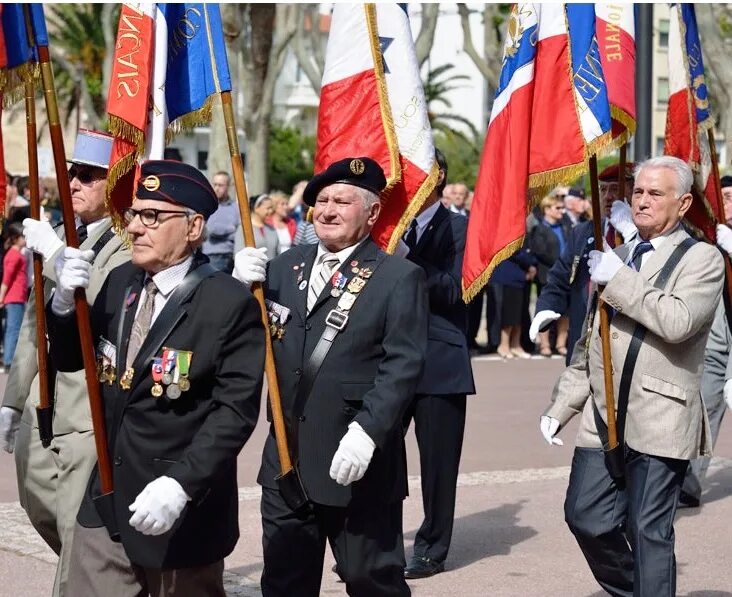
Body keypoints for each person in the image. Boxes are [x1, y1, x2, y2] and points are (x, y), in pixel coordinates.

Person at [46, 160, 265, 595]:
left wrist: (181, 485)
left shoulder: (227, 303)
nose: (136, 228)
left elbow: (234, 413)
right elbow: (76, 361)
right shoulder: (120, 282)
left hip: (180, 509)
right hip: (107, 492)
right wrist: (64, 305)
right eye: (133, 215)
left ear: (193, 226)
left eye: (152, 216)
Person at [234, 156, 428, 597]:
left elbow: (403, 366)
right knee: (284, 584)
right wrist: (236, 289)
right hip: (287, 459)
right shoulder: (283, 267)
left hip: (356, 462)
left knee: (371, 581)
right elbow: (248, 339)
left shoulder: (398, 277)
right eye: (321, 200)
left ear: (373, 212)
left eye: (342, 201)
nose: (327, 210)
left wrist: (368, 431)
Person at [540, 156, 724, 597]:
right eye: (638, 191)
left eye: (655, 194)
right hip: (604, 415)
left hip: (662, 415)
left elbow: (678, 321)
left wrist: (619, 280)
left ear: (682, 204)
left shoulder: (703, 258)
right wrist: (561, 406)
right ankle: (637, 589)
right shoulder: (618, 255)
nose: (641, 201)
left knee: (648, 529)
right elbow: (590, 342)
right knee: (585, 515)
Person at [0, 129, 131, 597]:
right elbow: (34, 328)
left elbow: (98, 298)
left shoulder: (128, 240)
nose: (73, 183)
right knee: (40, 507)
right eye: (71, 173)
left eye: (88, 176)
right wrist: (13, 401)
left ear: (115, 183)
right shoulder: (54, 234)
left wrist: (55, 257)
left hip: (85, 405)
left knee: (79, 527)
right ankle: (96, 574)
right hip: (43, 402)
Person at [399, 149, 475, 579]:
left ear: (439, 177)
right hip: (387, 361)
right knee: (379, 460)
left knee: (438, 466)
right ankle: (379, 545)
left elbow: (456, 290)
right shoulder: (387, 229)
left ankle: (431, 549)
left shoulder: (461, 228)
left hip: (440, 362)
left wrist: (410, 258)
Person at [530, 163, 637, 364]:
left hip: (624, 342)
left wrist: (633, 235)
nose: (608, 196)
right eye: (603, 189)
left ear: (633, 192)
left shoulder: (642, 235)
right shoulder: (584, 232)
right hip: (584, 341)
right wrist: (545, 307)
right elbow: (560, 277)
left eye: (615, 189)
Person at [529, 193, 572, 357]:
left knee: (565, 313)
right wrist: (562, 262)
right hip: (547, 274)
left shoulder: (565, 227)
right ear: (547, 209)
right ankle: (545, 345)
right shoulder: (539, 229)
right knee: (545, 311)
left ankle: (561, 344)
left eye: (562, 207)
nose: (562, 211)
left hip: (567, 275)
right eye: (558, 208)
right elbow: (539, 251)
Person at [0, 223, 28, 368]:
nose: (25, 239)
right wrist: (1, 296)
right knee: (14, 328)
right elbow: (7, 278)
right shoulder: (14, 255)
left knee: (11, 328)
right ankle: (9, 361)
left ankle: (8, 358)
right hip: (14, 296)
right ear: (16, 238)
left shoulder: (15, 253)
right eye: (23, 236)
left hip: (17, 296)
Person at [202, 171, 240, 273]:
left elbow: (239, 233)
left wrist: (230, 232)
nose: (217, 188)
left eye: (221, 185)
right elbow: (212, 230)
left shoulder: (235, 208)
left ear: (228, 186)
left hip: (231, 255)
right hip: (211, 255)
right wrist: (231, 228)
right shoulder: (208, 205)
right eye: (215, 184)